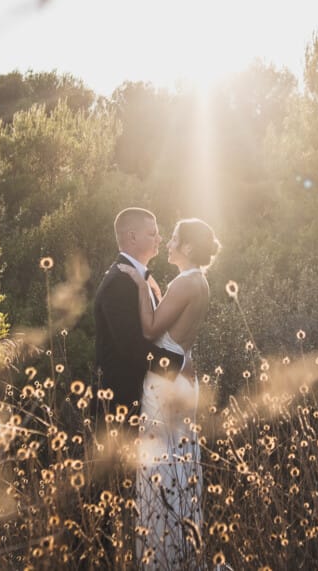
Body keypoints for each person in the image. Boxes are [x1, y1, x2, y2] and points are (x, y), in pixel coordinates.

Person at [116, 217, 217, 571]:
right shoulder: (198, 282)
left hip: (165, 384)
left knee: (161, 465)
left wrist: (141, 286)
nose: (169, 243)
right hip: (183, 379)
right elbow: (176, 332)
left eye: (174, 238)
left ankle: (164, 558)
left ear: (188, 247)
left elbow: (150, 329)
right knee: (180, 463)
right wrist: (156, 290)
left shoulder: (184, 282)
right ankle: (183, 553)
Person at [92, 208, 187, 436]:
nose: (159, 238)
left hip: (146, 401)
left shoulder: (140, 278)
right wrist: (178, 364)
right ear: (132, 237)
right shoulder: (119, 282)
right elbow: (131, 347)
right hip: (121, 407)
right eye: (152, 233)